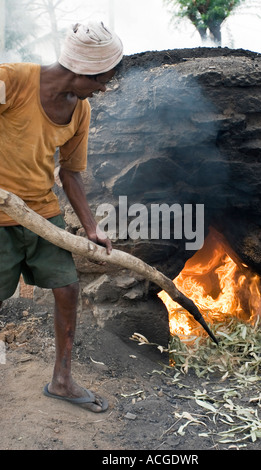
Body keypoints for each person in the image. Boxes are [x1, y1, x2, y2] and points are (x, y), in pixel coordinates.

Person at [0, 21, 123, 413]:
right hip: (0, 212)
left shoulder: (81, 109)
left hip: (41, 212)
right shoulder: (12, 80)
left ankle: (63, 380)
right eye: (102, 80)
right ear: (81, 71)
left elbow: (70, 173)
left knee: (67, 288)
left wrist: (91, 227)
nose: (104, 88)